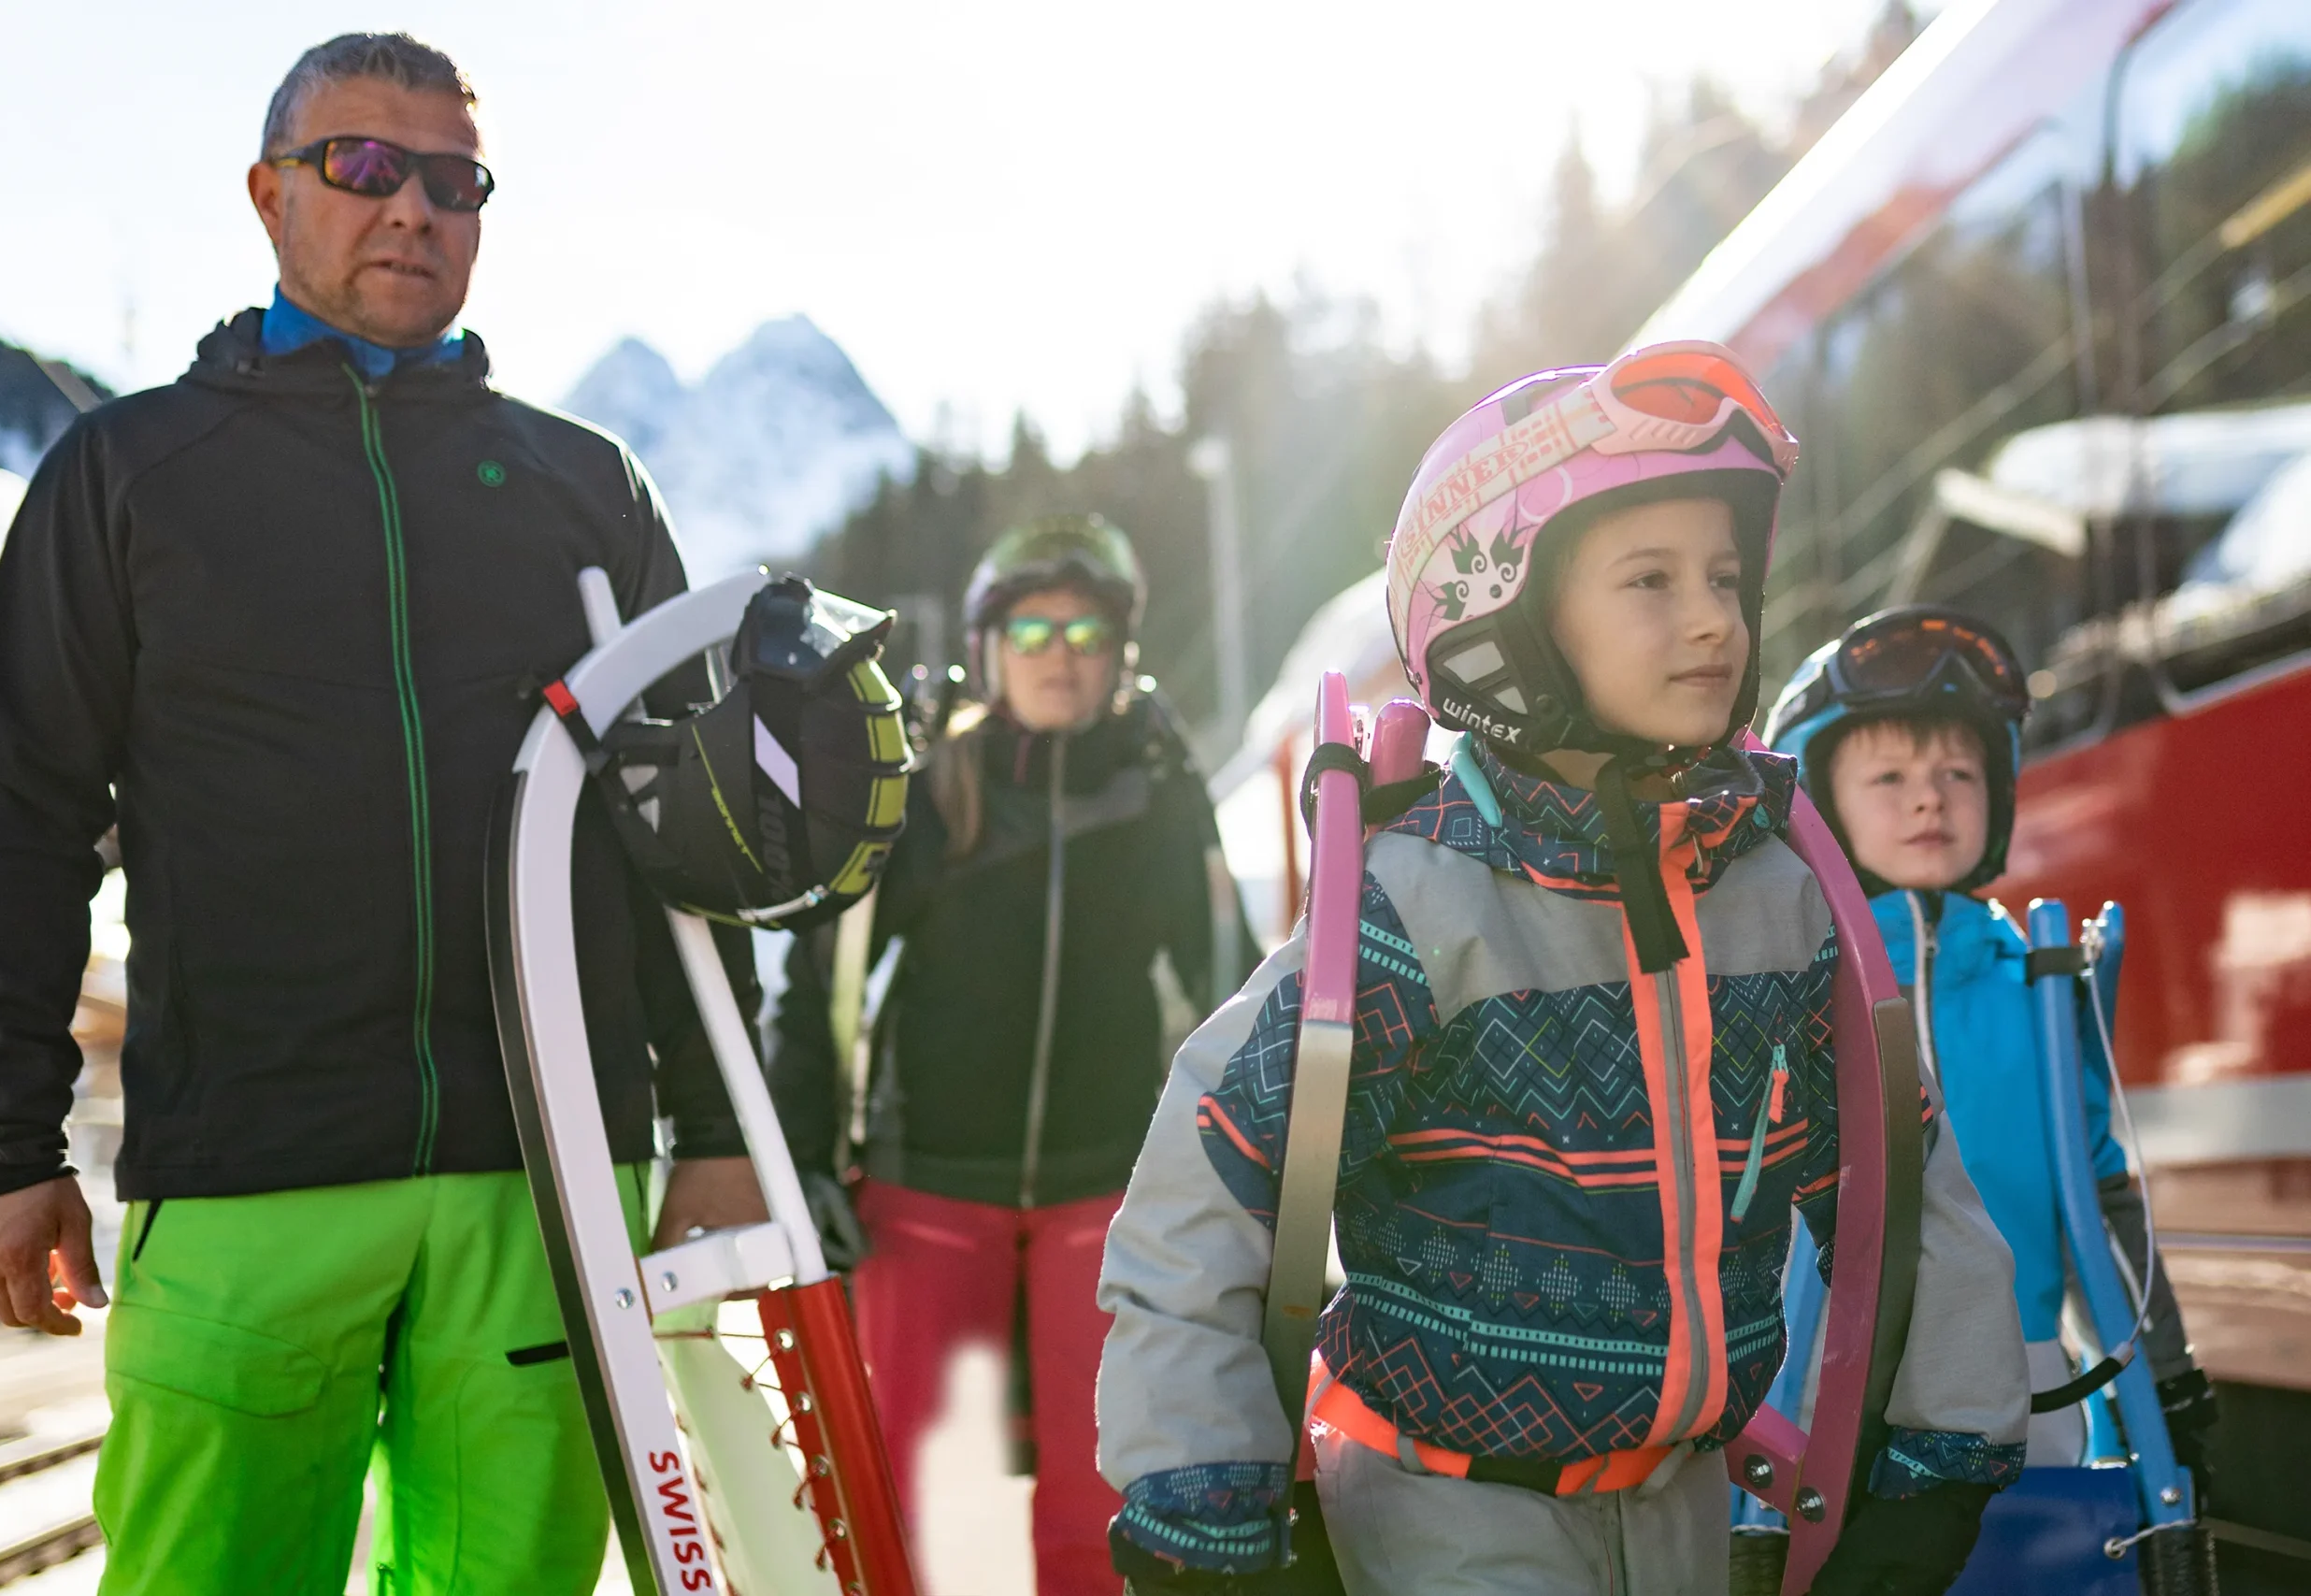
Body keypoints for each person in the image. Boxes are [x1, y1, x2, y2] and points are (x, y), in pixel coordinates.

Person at [0, 34, 764, 1595]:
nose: (411, 209)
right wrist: (1, 1142)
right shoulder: (131, 473)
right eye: (364, 167)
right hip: (250, 1168)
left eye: (453, 180)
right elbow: (21, 812)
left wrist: (714, 1126)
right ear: (270, 195)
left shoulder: (585, 488)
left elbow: (678, 833)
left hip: (548, 1181)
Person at [1096, 345, 2032, 1596]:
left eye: (1723, 576)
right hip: (1450, 1516)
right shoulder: (1417, 905)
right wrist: (1201, 1499)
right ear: (1505, 620)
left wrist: (1943, 1454)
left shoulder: (1779, 900)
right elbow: (1210, 1187)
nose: (1712, 615)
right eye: (1648, 578)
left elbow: (1904, 1190)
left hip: (1686, 1503)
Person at [768, 515, 1250, 1596]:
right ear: (988, 646)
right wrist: (799, 1158)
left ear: (1120, 650)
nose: (1059, 652)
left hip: (1106, 1197)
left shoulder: (1159, 794)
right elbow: (819, 980)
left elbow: (1231, 984)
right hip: (924, 1186)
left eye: (1085, 630)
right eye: (1031, 628)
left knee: (1099, 1496)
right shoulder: (927, 791)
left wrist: (1247, 1175)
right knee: (907, 1500)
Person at [1765, 606, 2214, 1476]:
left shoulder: (2043, 987)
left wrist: (2163, 1374)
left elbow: (2098, 1195)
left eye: (1959, 772)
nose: (1929, 795)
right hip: (1815, 1398)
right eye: (1888, 776)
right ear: (1820, 803)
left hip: (2028, 1391)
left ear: (1999, 795)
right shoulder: (1787, 982)